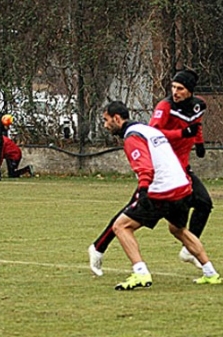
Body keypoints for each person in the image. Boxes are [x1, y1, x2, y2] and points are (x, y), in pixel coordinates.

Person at [88, 69, 212, 275]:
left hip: (178, 171)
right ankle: (99, 248)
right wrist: (181, 134)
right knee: (127, 217)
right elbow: (154, 132)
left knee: (202, 205)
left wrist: (199, 143)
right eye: (173, 87)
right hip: (162, 172)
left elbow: (195, 125)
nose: (175, 92)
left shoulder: (198, 106)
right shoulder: (164, 107)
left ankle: (191, 252)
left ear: (190, 90)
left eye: (180, 88)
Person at [99, 101, 221, 290]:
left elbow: (145, 166)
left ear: (117, 118)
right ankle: (210, 272)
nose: (105, 125)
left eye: (106, 121)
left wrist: (143, 190)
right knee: (178, 229)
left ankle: (140, 273)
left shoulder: (132, 137)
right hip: (182, 187)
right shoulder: (149, 130)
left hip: (162, 191)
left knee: (120, 226)